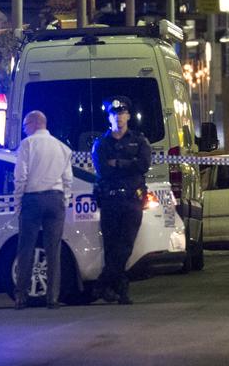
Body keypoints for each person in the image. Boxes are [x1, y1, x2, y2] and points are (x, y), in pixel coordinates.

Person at [91, 96, 152, 305]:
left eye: (122, 113)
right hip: (110, 200)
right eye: (114, 114)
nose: (118, 117)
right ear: (109, 117)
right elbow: (103, 170)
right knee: (111, 246)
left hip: (131, 201)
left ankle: (102, 285)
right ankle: (118, 289)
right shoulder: (101, 143)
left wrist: (117, 162)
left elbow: (143, 165)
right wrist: (129, 164)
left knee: (125, 245)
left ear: (128, 116)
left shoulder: (139, 140)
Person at [13, 110, 73, 310]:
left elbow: (20, 176)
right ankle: (52, 298)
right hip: (55, 200)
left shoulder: (27, 144)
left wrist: (18, 202)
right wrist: (64, 199)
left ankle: (21, 296)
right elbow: (68, 179)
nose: (24, 130)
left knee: (26, 249)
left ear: (32, 124)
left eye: (24, 127)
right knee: (53, 250)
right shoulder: (62, 147)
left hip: (33, 198)